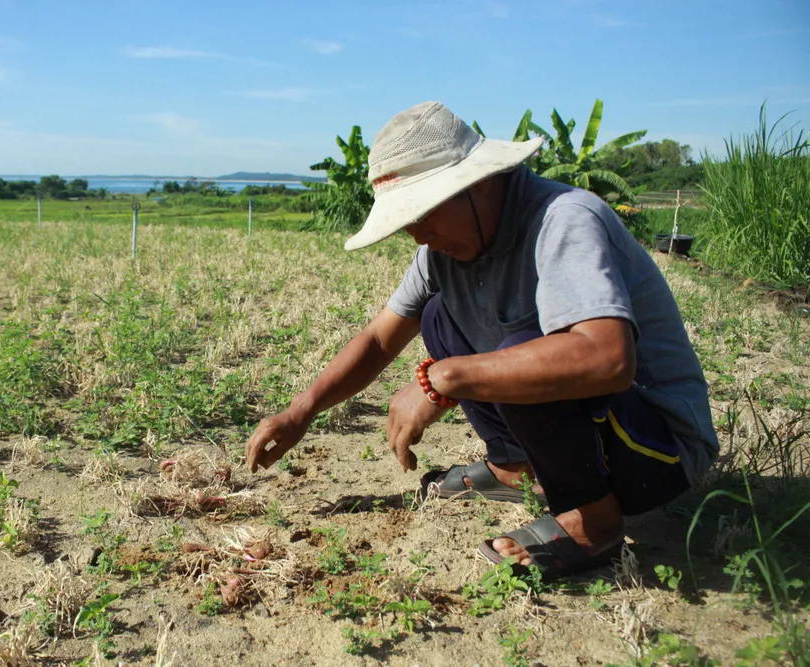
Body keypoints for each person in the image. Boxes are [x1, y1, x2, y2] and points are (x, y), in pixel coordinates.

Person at [245, 101, 719, 580]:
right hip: (604, 433)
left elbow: (608, 358)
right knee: (437, 315)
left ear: (480, 183)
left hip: (658, 451)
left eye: (424, 212)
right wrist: (300, 411)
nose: (417, 236)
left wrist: (445, 378)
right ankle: (516, 466)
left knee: (522, 347)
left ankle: (592, 524)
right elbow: (378, 339)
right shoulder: (442, 252)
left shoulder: (564, 219)